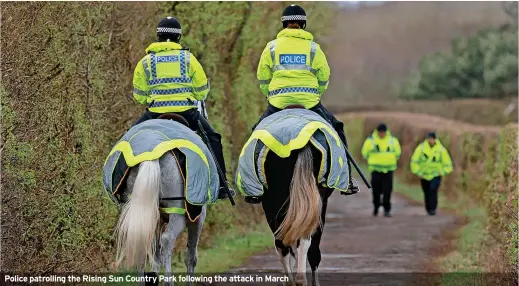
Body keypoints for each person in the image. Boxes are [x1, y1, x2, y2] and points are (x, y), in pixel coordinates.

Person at [253, 4, 359, 194]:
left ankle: (252, 186)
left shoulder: (271, 48)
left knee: (256, 134)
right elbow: (324, 76)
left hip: (278, 103)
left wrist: (271, 94)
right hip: (309, 103)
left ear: (284, 24)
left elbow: (262, 77)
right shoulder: (313, 48)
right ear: (303, 24)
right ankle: (346, 179)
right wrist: (315, 93)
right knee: (337, 129)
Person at [131, 16, 233, 199]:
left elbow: (139, 96)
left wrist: (152, 98)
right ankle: (221, 186)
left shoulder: (145, 62)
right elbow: (201, 91)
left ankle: (120, 185)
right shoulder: (188, 59)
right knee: (213, 138)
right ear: (178, 37)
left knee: (130, 139)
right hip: (186, 113)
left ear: (158, 37)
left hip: (155, 114)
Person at [361, 123, 401, 217]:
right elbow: (364, 153)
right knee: (376, 191)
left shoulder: (392, 140)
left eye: (383, 132)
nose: (381, 134)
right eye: (380, 132)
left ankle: (387, 210)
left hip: (389, 169)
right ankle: (376, 207)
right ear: (377, 132)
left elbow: (398, 153)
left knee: (388, 190)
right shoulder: (371, 140)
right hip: (375, 170)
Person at [410, 132, 453, 215]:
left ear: (435, 139)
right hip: (424, 175)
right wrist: (418, 172)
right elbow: (414, 161)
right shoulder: (421, 148)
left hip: (435, 174)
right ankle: (428, 208)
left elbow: (448, 164)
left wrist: (442, 172)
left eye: (432, 139)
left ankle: (433, 209)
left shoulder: (441, 149)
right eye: (429, 139)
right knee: (426, 192)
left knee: (433, 190)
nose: (430, 140)